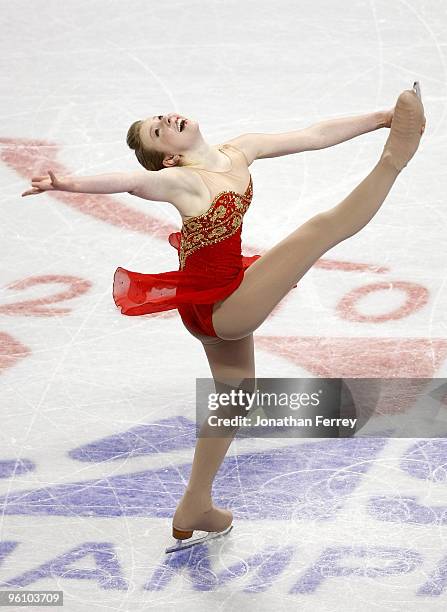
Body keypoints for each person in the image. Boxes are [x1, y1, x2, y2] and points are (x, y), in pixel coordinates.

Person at [22, 82, 426, 554]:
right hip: (221, 307)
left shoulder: (240, 151)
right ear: (169, 158)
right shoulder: (183, 181)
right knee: (320, 229)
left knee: (235, 397)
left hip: (214, 301)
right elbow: (130, 182)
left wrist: (380, 117)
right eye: (157, 131)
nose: (166, 119)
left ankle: (196, 505)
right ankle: (395, 159)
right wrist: (68, 184)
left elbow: (313, 134)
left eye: (160, 117)